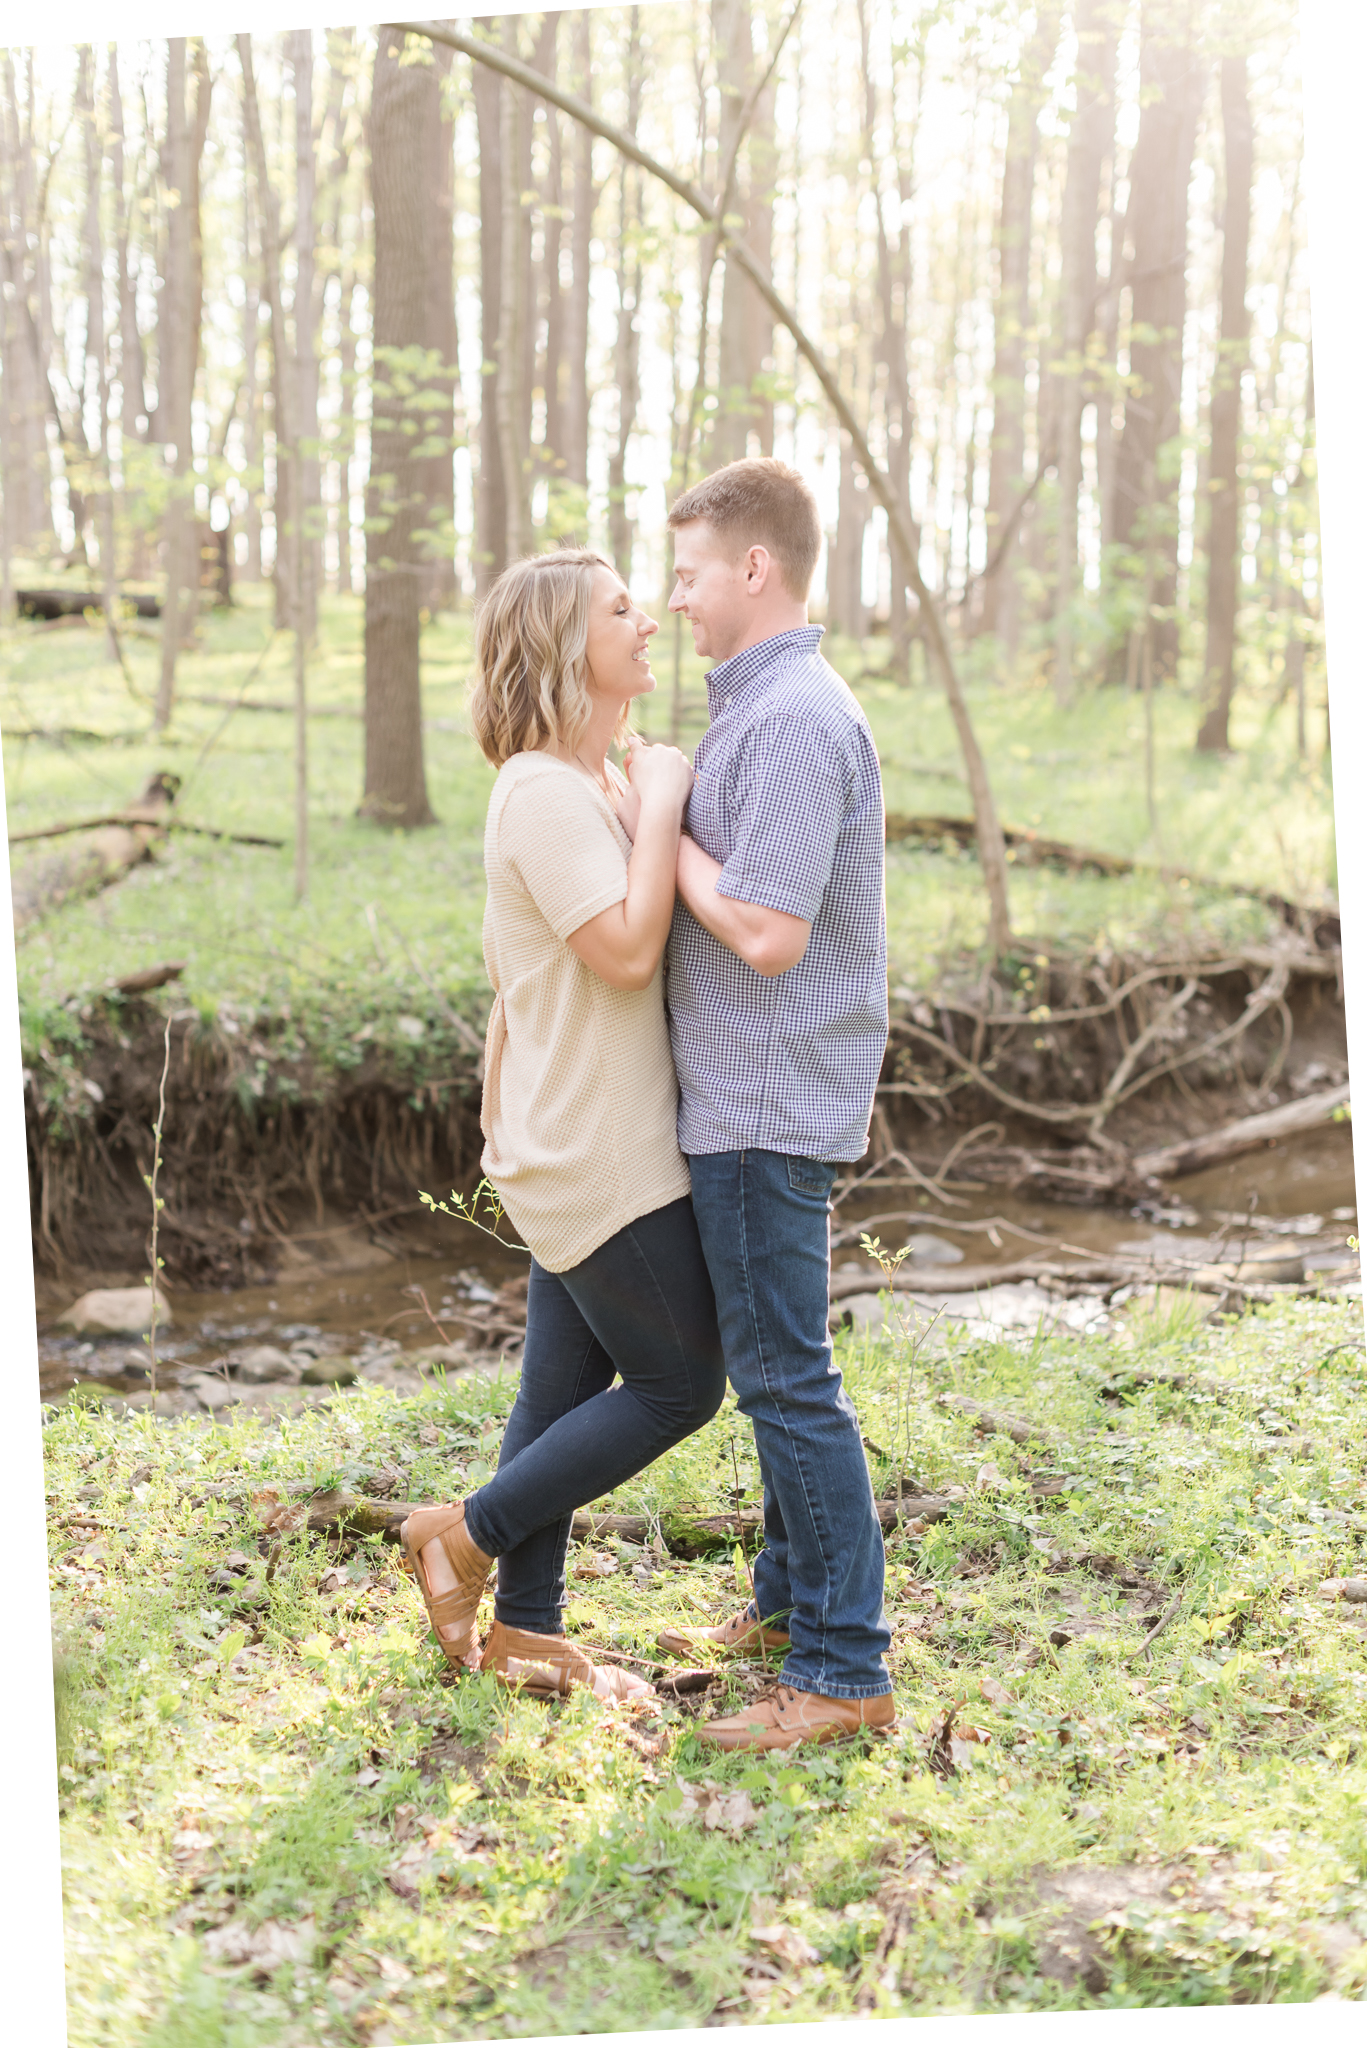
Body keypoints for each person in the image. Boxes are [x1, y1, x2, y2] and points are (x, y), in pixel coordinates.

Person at [401, 548, 726, 1705]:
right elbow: (628, 953)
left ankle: (523, 1628)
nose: (648, 620)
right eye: (619, 609)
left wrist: (639, 801)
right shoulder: (542, 789)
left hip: (576, 1129)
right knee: (684, 1379)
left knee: (557, 1388)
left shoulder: (582, 783)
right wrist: (666, 801)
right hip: (592, 1148)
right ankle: (462, 1535)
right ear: (558, 646)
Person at [655, 457, 895, 1751]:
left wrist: (664, 835)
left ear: (753, 568)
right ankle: (782, 1607)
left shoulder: (794, 716)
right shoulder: (757, 708)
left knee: (786, 1384)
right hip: (739, 1096)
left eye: (689, 573)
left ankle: (841, 1673)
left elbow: (762, 932)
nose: (676, 599)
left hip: (761, 1100)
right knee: (770, 1371)